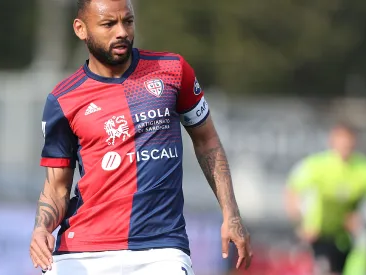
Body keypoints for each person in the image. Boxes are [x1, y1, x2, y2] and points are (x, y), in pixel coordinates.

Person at [28, 0, 253, 274]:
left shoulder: (172, 71)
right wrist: (42, 228)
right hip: (82, 250)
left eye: (128, 21)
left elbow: (207, 141)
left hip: (161, 251)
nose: (121, 31)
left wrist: (231, 214)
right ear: (81, 29)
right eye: (108, 24)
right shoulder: (63, 100)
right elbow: (57, 187)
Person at [285, 123, 366, 275]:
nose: (345, 148)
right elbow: (292, 191)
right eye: (341, 143)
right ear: (332, 142)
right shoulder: (316, 166)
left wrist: (364, 219)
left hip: (352, 239)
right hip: (320, 236)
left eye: (348, 144)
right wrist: (301, 224)